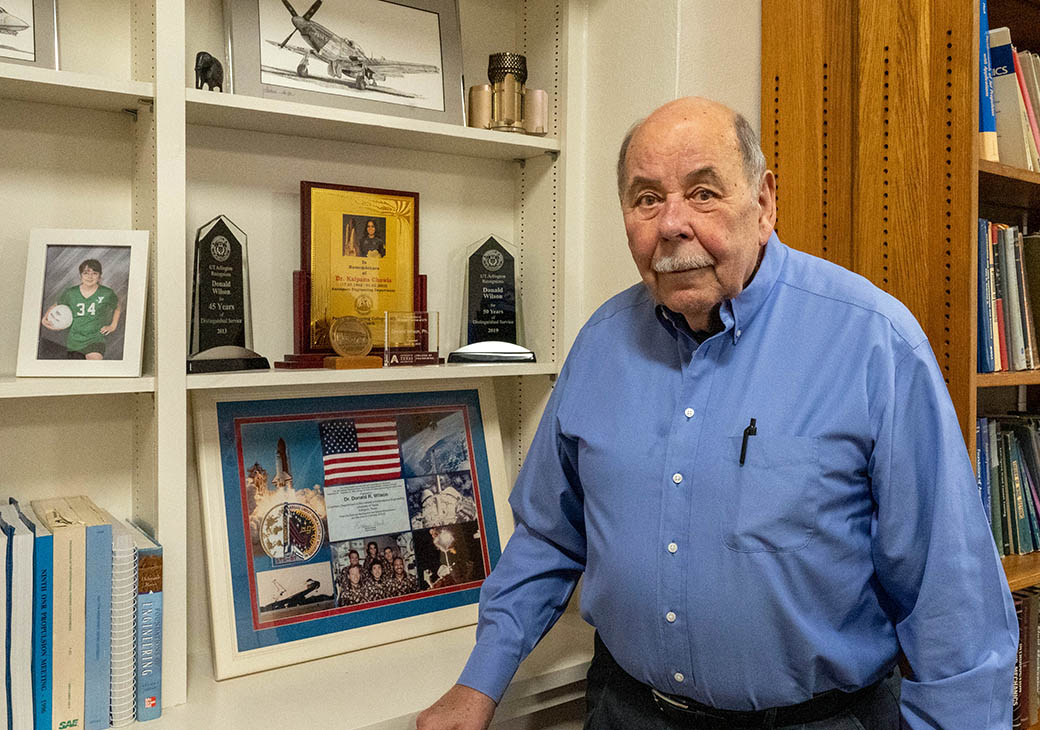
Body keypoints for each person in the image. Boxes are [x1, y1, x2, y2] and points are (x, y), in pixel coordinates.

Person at [416, 97, 1018, 730]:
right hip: (628, 712)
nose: (672, 224)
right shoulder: (599, 346)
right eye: (647, 199)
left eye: (702, 193)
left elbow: (949, 596)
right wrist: (478, 682)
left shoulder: (875, 344)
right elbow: (547, 535)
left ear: (764, 203)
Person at [41, 258, 121, 360]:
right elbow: (56, 305)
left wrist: (113, 326)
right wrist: (45, 318)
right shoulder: (70, 293)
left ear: (100, 276)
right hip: (74, 341)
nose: (90, 277)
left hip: (95, 339)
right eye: (86, 273)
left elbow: (117, 306)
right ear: (81, 276)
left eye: (94, 273)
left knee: (93, 365)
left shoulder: (107, 293)